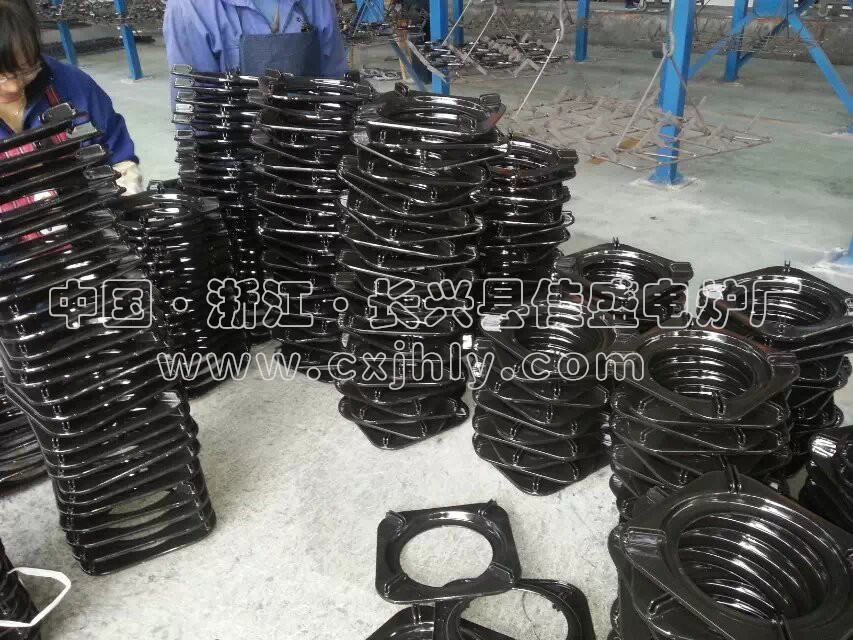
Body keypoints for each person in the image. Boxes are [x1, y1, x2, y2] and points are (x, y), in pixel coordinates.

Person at [0, 0, 143, 194]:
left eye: (26, 70)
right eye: (2, 76)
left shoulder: (73, 86)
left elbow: (115, 149)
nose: (14, 86)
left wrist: (124, 178)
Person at [163, 0, 348, 96]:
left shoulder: (316, 3)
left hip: (311, 143)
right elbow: (194, 111)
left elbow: (335, 80)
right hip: (233, 150)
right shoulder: (189, 7)